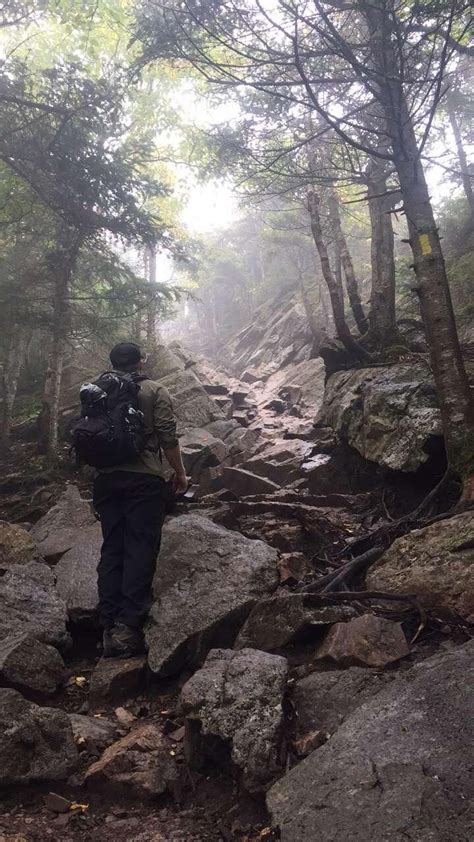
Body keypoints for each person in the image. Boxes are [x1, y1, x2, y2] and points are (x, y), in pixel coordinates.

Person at [92, 341, 187, 658]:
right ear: (141, 362)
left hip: (106, 480)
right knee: (140, 547)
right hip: (144, 478)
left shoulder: (96, 391)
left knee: (112, 547)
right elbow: (167, 434)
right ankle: (128, 628)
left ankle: (108, 624)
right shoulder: (155, 390)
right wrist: (180, 474)